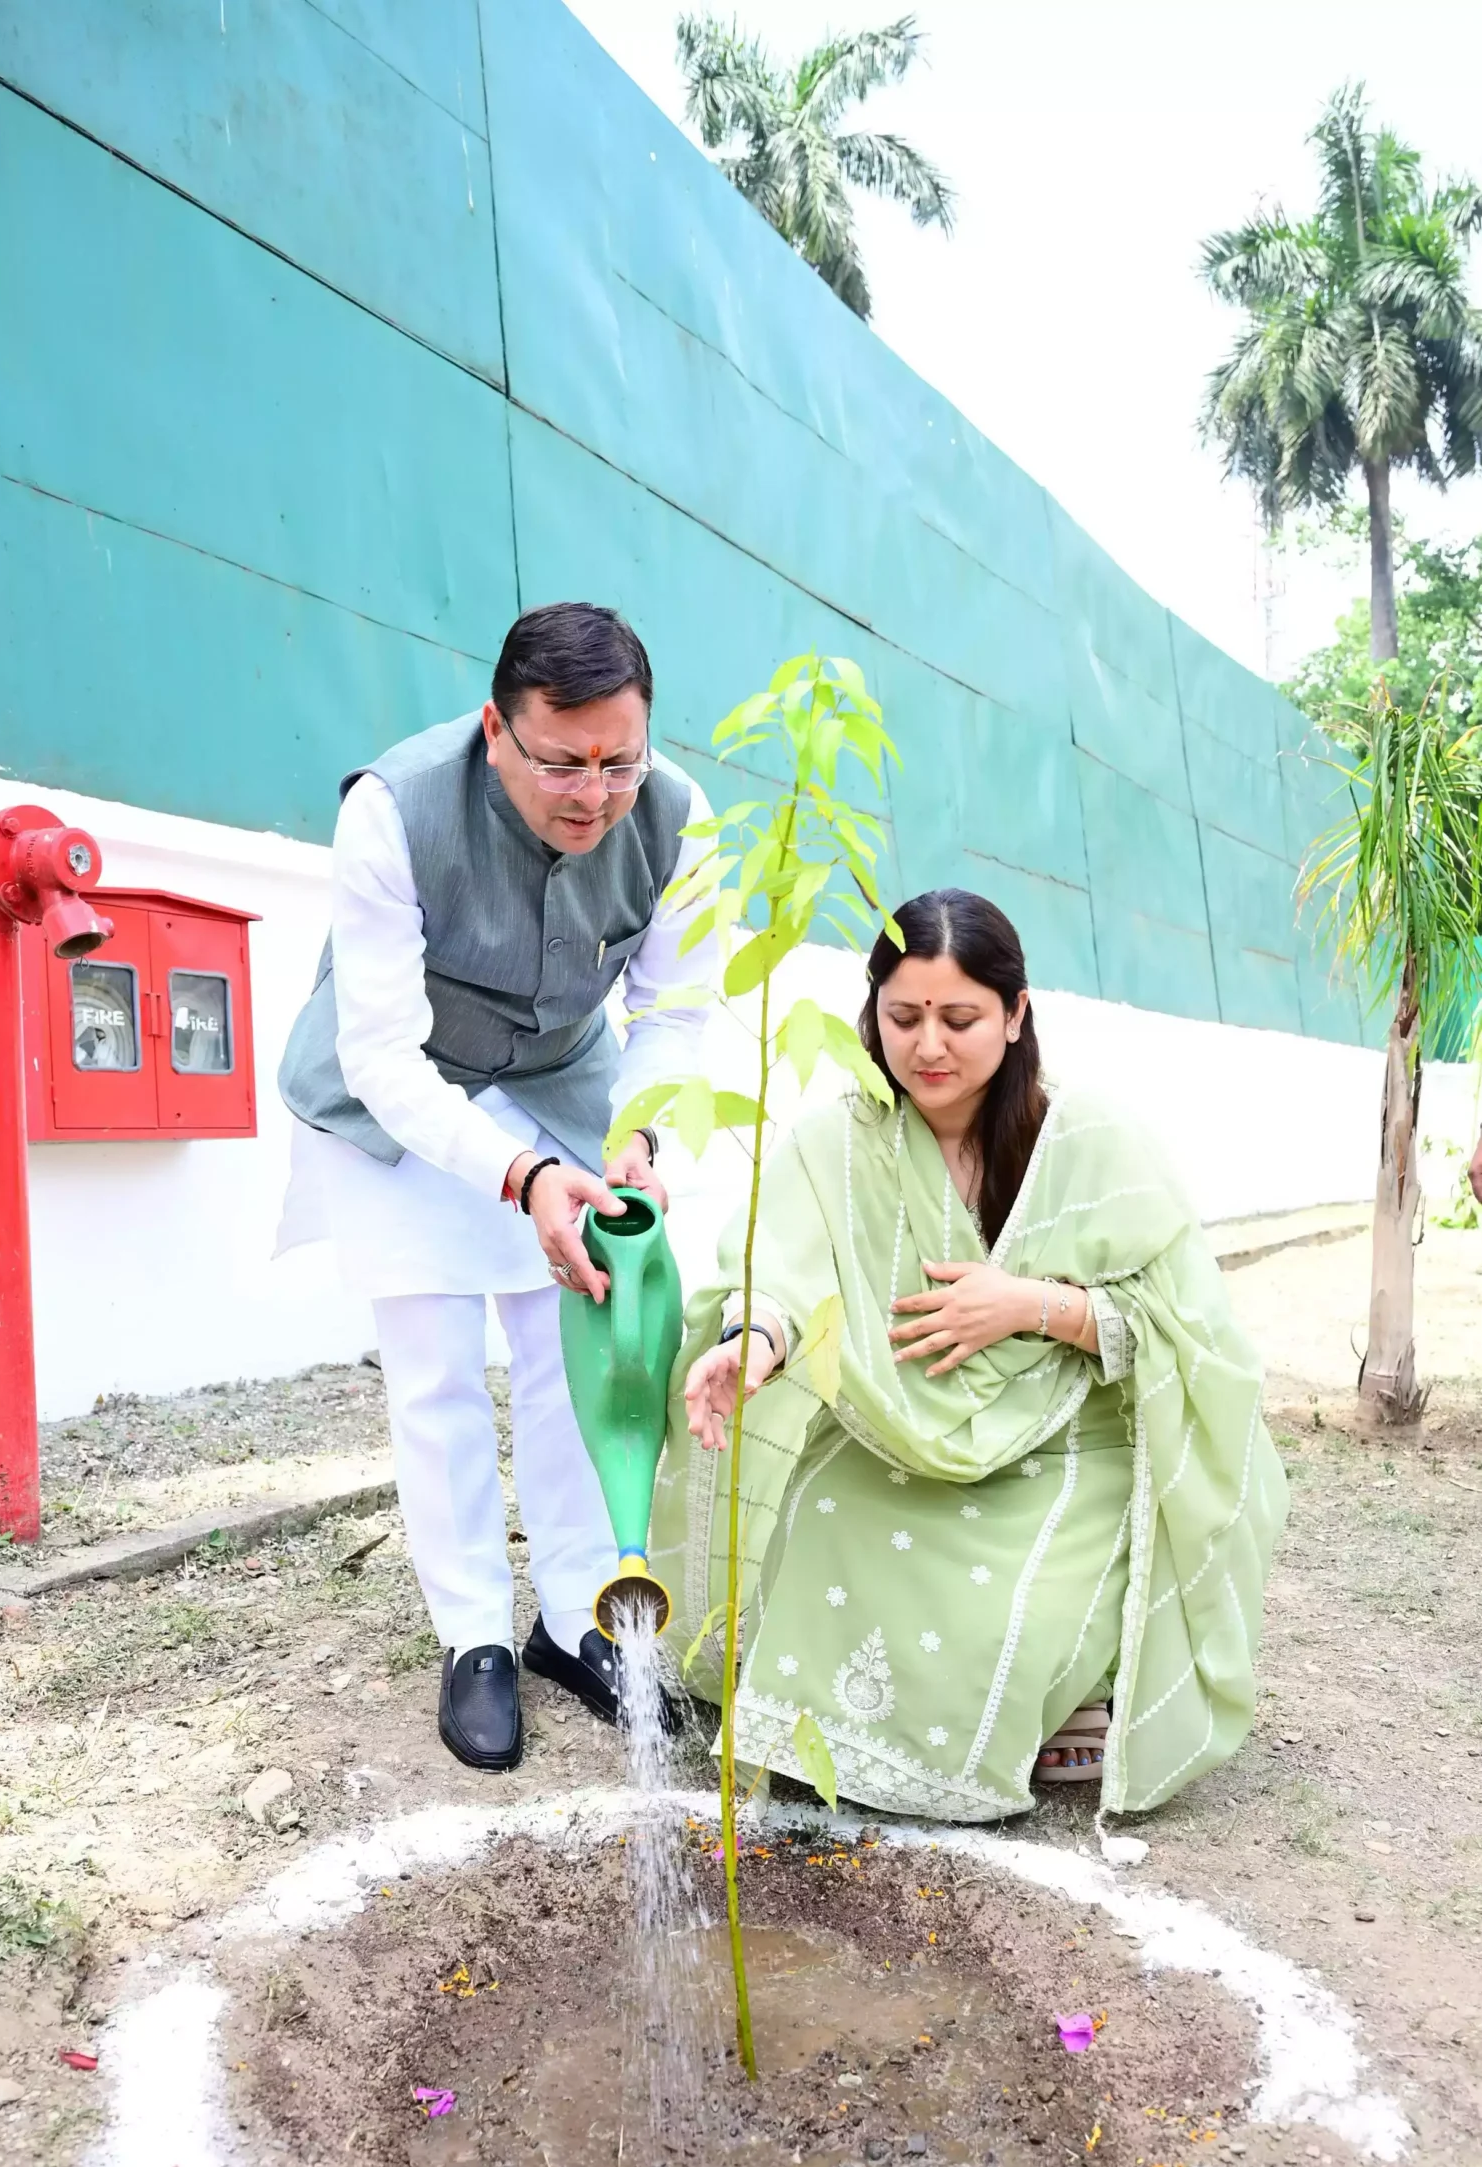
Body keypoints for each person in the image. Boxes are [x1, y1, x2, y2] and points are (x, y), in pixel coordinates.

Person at [651, 888, 1287, 1822]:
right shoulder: (836, 1141)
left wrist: (1028, 1306)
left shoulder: (1091, 1139)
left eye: (959, 1019)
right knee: (828, 1516)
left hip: (1070, 1443)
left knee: (1009, 1605)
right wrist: (753, 1346)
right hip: (896, 1436)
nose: (928, 1047)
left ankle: (1065, 1700)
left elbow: (1189, 1330)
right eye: (902, 1018)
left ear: (1016, 1013)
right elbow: (782, 1274)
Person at [278, 603, 710, 1773]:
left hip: (565, 1083)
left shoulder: (675, 812)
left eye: (619, 760)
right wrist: (518, 1173)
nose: (594, 792)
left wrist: (637, 1140)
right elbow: (380, 1052)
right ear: (494, 731)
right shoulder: (392, 809)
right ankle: (471, 1631)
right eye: (561, 762)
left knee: (569, 1352)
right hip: (401, 1092)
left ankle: (574, 1617)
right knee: (433, 1366)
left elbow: (674, 1011)